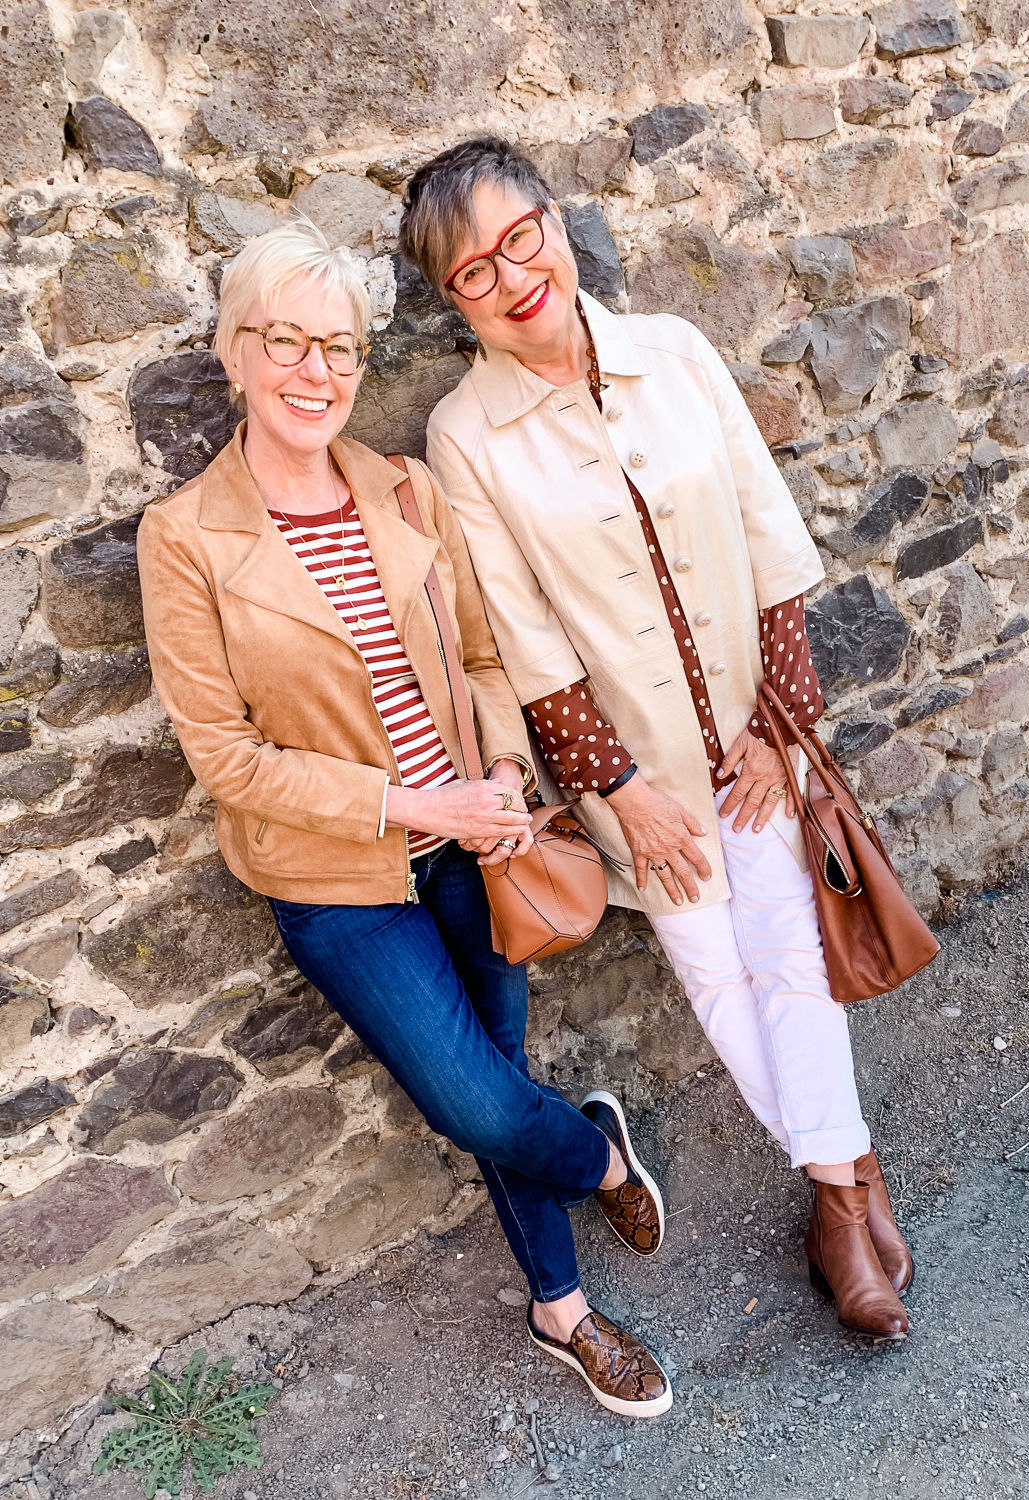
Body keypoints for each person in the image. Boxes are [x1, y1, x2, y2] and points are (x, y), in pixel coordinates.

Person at [136, 218, 673, 1416]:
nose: (315, 371)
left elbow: (482, 657)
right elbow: (225, 756)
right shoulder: (184, 541)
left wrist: (493, 777)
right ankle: (597, 1155)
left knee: (503, 1068)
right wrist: (412, 800)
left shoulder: (405, 489)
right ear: (233, 354)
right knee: (472, 1100)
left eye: (338, 347)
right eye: (285, 341)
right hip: (338, 884)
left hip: (476, 847)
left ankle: (562, 1312)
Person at [401, 138, 915, 1343]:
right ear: (451, 301)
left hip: (752, 739)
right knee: (719, 980)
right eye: (472, 271)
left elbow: (770, 537)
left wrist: (778, 730)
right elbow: (524, 637)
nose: (511, 274)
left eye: (518, 236)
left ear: (555, 219)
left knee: (791, 955)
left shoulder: (676, 352)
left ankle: (838, 1211)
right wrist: (617, 787)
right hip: (634, 772)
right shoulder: (465, 434)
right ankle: (852, 1177)